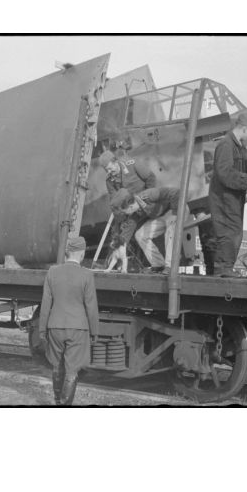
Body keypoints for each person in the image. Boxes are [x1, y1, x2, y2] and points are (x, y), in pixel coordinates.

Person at [39, 236, 99, 405]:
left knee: (57, 366)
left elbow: (45, 303)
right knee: (72, 371)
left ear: (67, 252)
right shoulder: (87, 275)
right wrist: (95, 331)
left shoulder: (52, 272)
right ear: (81, 253)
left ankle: (57, 400)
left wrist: (42, 329)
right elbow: (91, 306)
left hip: (55, 326)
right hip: (78, 329)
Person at [208, 111, 247, 277]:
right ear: (244, 128)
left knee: (235, 232)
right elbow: (224, 172)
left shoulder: (240, 147)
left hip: (233, 197)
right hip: (223, 197)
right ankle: (223, 270)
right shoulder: (226, 145)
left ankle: (225, 269)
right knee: (228, 232)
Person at [98, 150, 157, 268]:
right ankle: (111, 263)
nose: (109, 172)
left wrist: (146, 199)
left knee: (130, 224)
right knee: (115, 230)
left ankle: (116, 263)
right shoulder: (109, 180)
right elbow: (115, 201)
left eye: (110, 168)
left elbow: (151, 178)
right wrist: (121, 219)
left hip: (145, 202)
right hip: (129, 207)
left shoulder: (132, 164)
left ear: (115, 162)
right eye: (107, 170)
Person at [110, 186, 184, 274]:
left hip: (176, 210)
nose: (124, 214)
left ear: (130, 207)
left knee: (170, 228)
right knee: (140, 235)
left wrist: (175, 213)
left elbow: (175, 192)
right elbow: (127, 232)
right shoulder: (135, 214)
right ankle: (158, 265)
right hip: (162, 217)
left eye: (124, 211)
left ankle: (171, 266)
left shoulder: (149, 195)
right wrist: (119, 248)